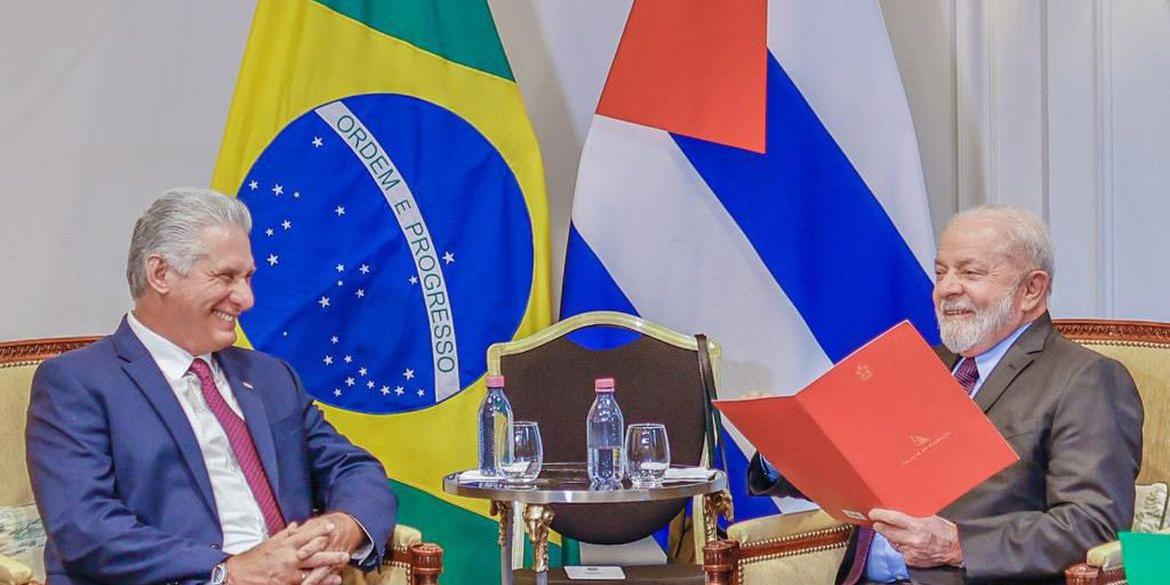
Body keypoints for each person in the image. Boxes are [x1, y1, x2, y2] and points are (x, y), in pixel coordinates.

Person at [748, 206, 1143, 585]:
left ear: (1031, 289)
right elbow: (857, 476)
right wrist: (784, 450)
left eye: (970, 273)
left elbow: (1092, 525)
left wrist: (958, 546)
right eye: (941, 273)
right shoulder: (915, 364)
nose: (946, 289)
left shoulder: (1085, 380)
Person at [26, 188, 397, 585]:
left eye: (249, 277)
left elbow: (353, 468)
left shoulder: (271, 377)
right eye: (226, 277)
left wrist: (338, 529)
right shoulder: (78, 382)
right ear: (160, 273)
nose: (246, 298)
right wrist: (230, 571)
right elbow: (85, 528)